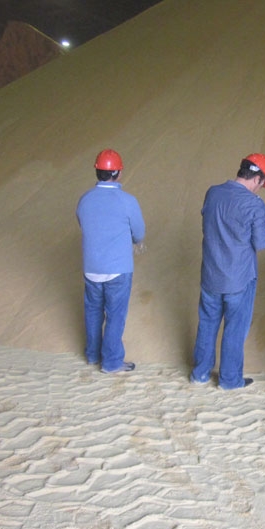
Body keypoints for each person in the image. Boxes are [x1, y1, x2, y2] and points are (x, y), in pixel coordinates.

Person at [190, 153, 265, 389]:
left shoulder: (213, 192)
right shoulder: (254, 204)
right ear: (257, 178)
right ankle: (229, 380)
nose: (259, 189)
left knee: (207, 324)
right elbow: (261, 243)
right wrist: (263, 227)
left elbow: (214, 221)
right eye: (261, 184)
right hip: (239, 278)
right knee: (235, 330)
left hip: (210, 274)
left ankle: (200, 374)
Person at [76, 149, 146, 374]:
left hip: (91, 268)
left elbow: (82, 222)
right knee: (115, 314)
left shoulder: (85, 199)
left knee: (93, 311)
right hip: (118, 269)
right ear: (118, 173)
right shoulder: (127, 201)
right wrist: (136, 241)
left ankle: (92, 355)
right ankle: (112, 362)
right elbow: (138, 230)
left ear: (97, 171)